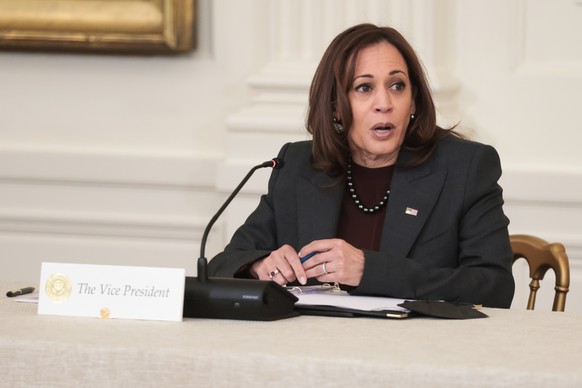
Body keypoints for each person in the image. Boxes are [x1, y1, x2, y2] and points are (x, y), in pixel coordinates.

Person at [208, 23, 515, 308]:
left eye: (397, 86)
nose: (385, 103)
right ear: (335, 107)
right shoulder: (299, 165)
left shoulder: (465, 167)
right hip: (314, 349)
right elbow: (224, 263)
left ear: (414, 101)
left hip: (420, 351)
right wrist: (259, 265)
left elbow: (494, 286)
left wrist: (370, 270)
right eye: (364, 88)